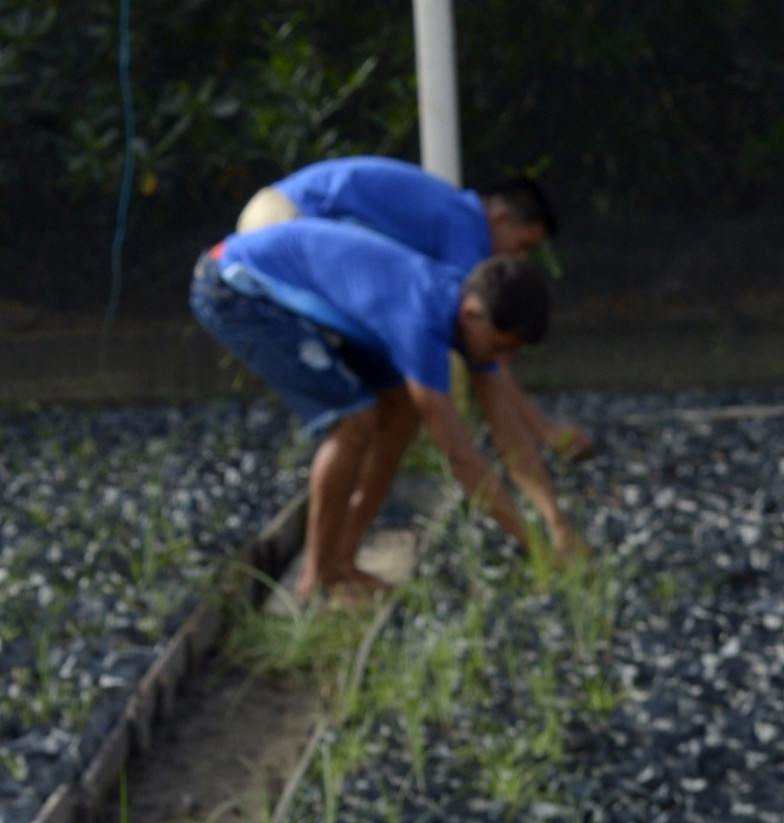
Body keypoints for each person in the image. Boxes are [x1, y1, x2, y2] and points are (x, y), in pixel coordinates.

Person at [191, 219, 582, 604]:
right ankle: (320, 581)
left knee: (401, 411)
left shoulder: (462, 310)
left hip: (297, 290)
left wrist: (556, 523)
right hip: (233, 286)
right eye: (500, 348)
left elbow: (508, 433)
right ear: (473, 315)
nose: (503, 360)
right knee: (352, 421)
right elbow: (461, 458)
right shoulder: (421, 319)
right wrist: (536, 550)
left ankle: (343, 559)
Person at [240, 158, 591, 463]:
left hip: (275, 213)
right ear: (499, 216)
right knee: (358, 409)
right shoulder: (466, 227)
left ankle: (336, 491)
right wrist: (544, 429)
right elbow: (487, 362)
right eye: (522, 246)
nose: (517, 260)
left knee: (382, 397)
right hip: (282, 221)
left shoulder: (450, 213)